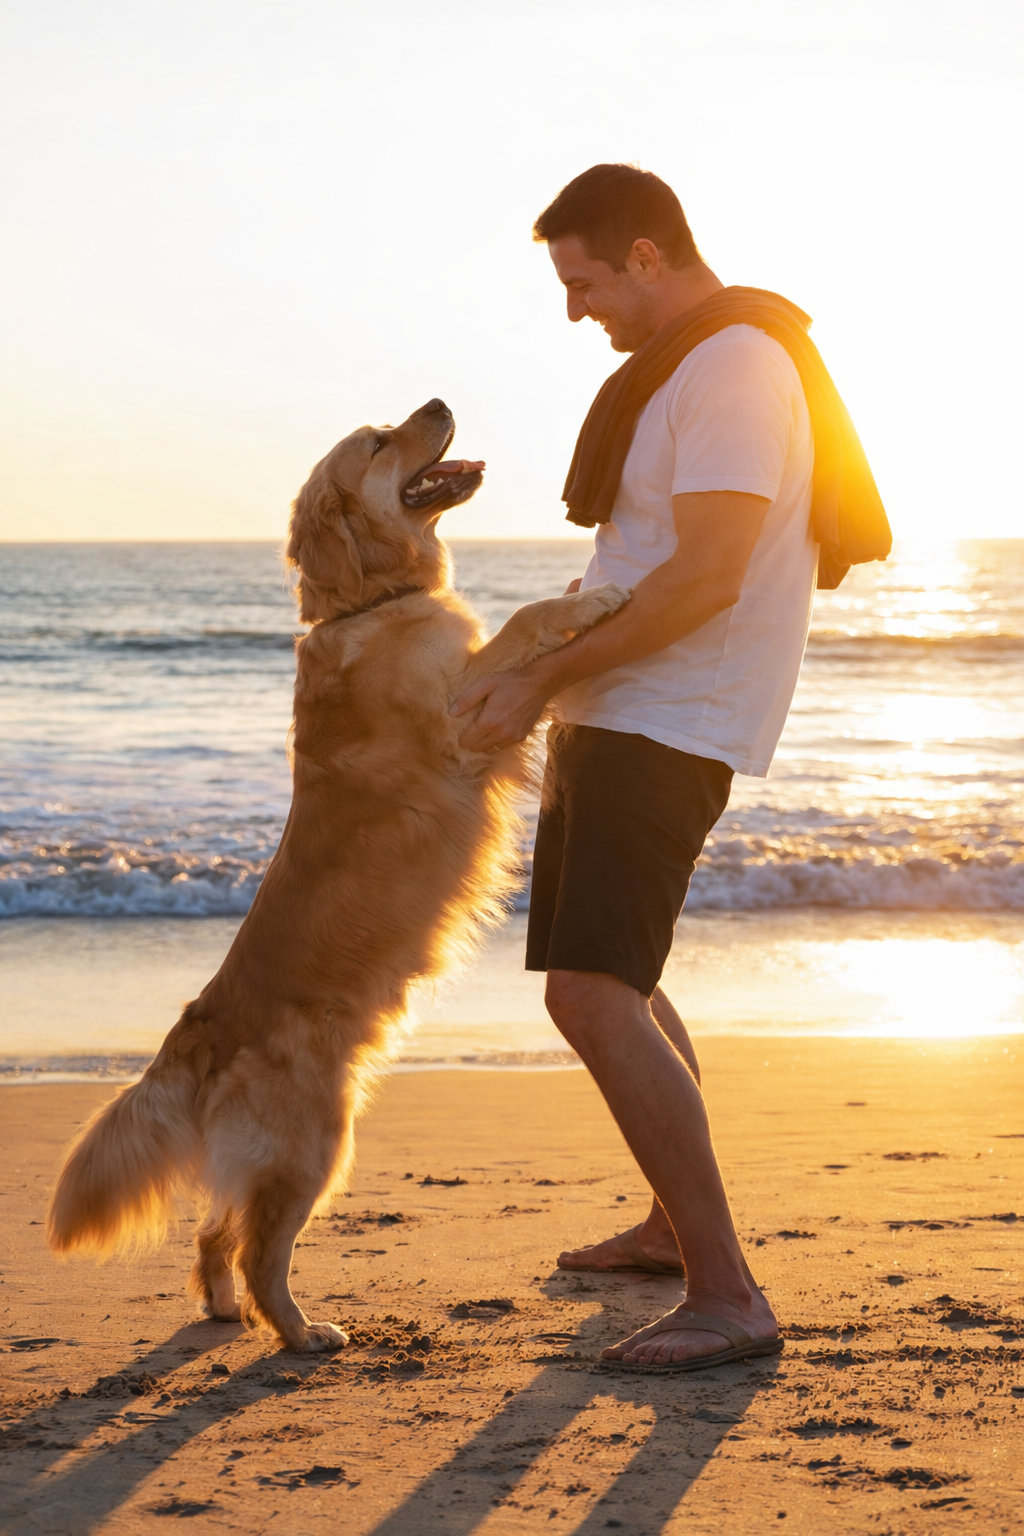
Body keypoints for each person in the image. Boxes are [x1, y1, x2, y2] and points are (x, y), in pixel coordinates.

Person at [451, 163, 823, 1370]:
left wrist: (544, 679)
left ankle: (729, 1295)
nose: (576, 312)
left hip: (665, 719)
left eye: (586, 283)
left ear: (648, 256)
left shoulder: (733, 366)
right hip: (618, 708)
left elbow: (709, 573)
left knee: (590, 995)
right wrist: (552, 653)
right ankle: (673, 1236)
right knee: (625, 981)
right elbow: (653, 553)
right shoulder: (688, 365)